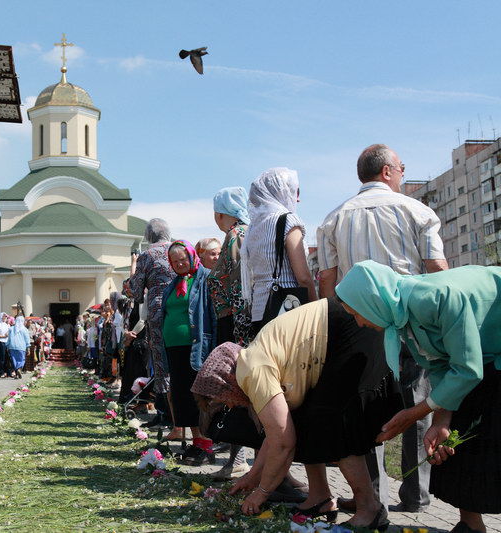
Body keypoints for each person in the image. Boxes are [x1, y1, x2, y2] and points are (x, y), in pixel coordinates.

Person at [317, 144, 448, 514]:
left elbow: (327, 278)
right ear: (389, 171)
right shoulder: (416, 210)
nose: (403, 173)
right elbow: (437, 268)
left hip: (359, 321)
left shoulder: (334, 218)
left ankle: (372, 497)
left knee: (366, 406)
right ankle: (417, 494)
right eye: (402, 167)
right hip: (413, 319)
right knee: (417, 401)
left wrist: (335, 323)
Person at [194, 297, 400, 529]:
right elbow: (277, 435)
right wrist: (253, 476)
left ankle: (369, 509)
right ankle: (319, 497)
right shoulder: (253, 361)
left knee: (337, 424)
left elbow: (283, 442)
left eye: (223, 401)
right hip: (335, 333)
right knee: (305, 419)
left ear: (225, 382)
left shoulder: (251, 370)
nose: (230, 407)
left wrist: (261, 493)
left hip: (348, 329)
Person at [336, 260, 501, 533]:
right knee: (459, 433)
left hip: (489, 356)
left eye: (358, 313)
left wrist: (415, 413)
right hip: (483, 358)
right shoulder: (403, 316)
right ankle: (471, 525)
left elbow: (468, 370)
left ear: (373, 301)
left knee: (491, 435)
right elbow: (440, 365)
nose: (360, 323)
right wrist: (441, 420)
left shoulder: (433, 299)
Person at [206, 186, 252, 480]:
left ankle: (240, 459)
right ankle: (241, 457)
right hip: (243, 318)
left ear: (223, 213)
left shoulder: (236, 235)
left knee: (237, 387)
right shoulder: (247, 232)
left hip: (235, 321)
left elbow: (228, 278)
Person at [160, 240, 216, 464]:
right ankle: (196, 442)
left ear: (192, 256)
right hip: (174, 347)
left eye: (183, 259)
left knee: (199, 396)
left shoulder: (205, 279)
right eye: (175, 261)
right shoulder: (173, 284)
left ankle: (206, 444)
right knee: (183, 395)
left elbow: (211, 313)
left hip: (196, 346)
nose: (180, 264)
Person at [241, 167, 317, 332]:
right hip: (287, 308)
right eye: (295, 192)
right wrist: (317, 310)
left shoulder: (253, 228)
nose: (297, 199)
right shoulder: (287, 221)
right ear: (281, 192)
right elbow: (303, 277)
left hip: (259, 310)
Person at [125, 218, 174, 426]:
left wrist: (131, 279)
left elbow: (136, 293)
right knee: (179, 360)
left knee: (161, 363)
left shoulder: (147, 256)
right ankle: (180, 416)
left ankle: (165, 412)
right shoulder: (179, 249)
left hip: (157, 311)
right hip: (181, 307)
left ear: (149, 236)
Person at [0, 313, 11, 378]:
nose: (5, 317)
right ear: (1, 317)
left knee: (7, 357)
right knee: (2, 358)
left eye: (6, 316)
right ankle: (1, 372)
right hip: (1, 342)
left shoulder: (6, 324)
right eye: (4, 316)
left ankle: (7, 371)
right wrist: (4, 336)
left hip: (7, 342)